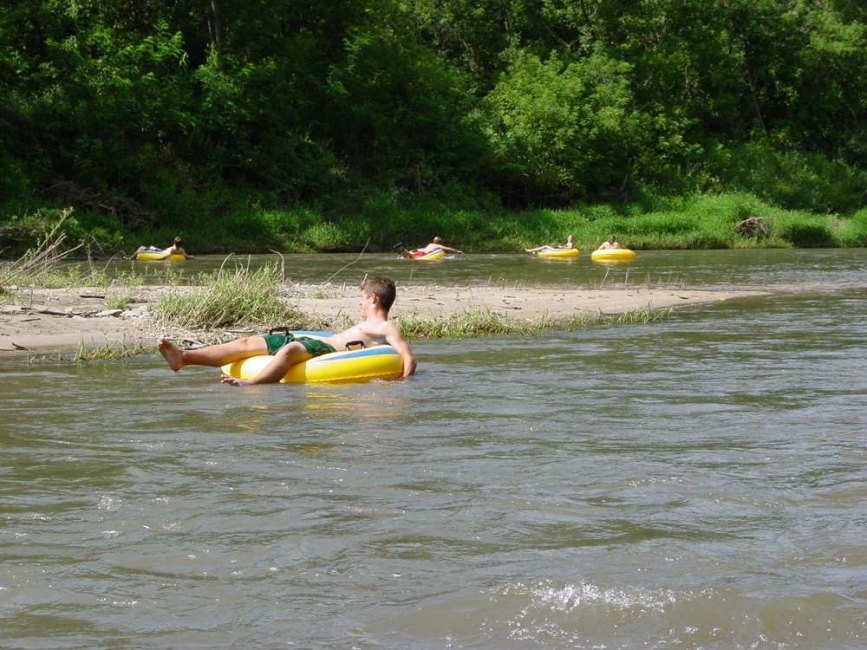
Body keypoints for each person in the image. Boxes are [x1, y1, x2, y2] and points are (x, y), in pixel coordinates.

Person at [157, 276, 417, 386]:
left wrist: (403, 382)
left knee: (291, 349)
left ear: (373, 299)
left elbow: (407, 355)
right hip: (310, 340)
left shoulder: (385, 326)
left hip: (325, 349)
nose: (359, 303)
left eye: (361, 298)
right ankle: (184, 357)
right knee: (246, 342)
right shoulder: (365, 323)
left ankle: (252, 384)